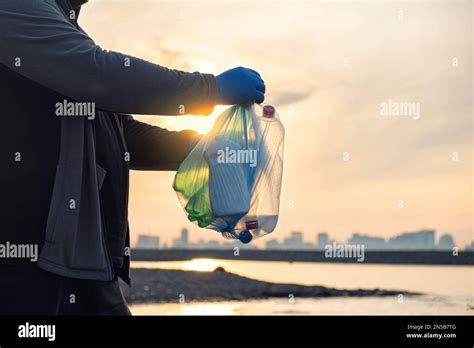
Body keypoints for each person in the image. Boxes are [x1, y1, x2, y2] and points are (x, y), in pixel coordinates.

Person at [0, 0, 265, 315]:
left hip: (87, 257)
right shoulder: (15, 7)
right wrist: (209, 88)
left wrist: (202, 148)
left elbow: (120, 134)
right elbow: (97, 73)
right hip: (27, 254)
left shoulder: (67, 28)